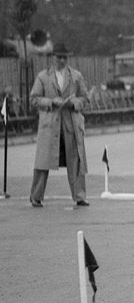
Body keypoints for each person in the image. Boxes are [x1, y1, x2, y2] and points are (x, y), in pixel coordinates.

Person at [29, 42, 90, 207]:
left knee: (76, 160)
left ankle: (80, 196)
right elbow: (33, 99)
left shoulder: (76, 76)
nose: (62, 60)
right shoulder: (43, 77)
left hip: (71, 126)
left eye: (65, 57)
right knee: (42, 161)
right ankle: (36, 196)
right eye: (59, 57)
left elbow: (85, 98)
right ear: (52, 57)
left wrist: (74, 103)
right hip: (50, 126)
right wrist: (50, 101)